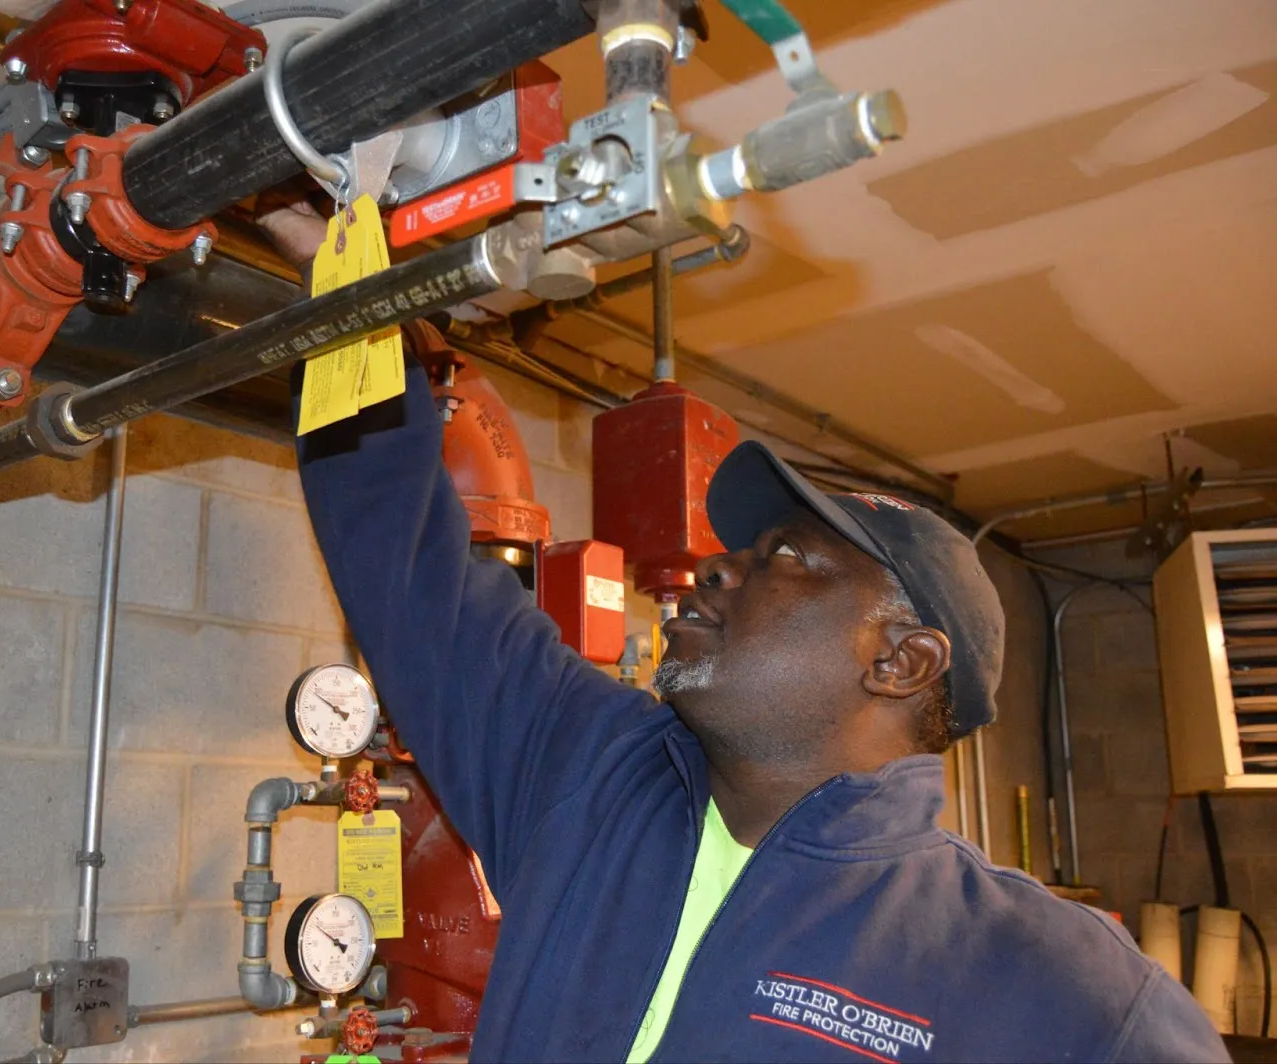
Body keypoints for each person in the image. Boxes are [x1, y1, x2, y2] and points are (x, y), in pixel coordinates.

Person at [259, 203, 1229, 1063]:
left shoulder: (1052, 982)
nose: (721, 562)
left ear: (900, 660)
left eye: (790, 557)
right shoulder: (584, 773)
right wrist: (350, 293)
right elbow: (404, 563)